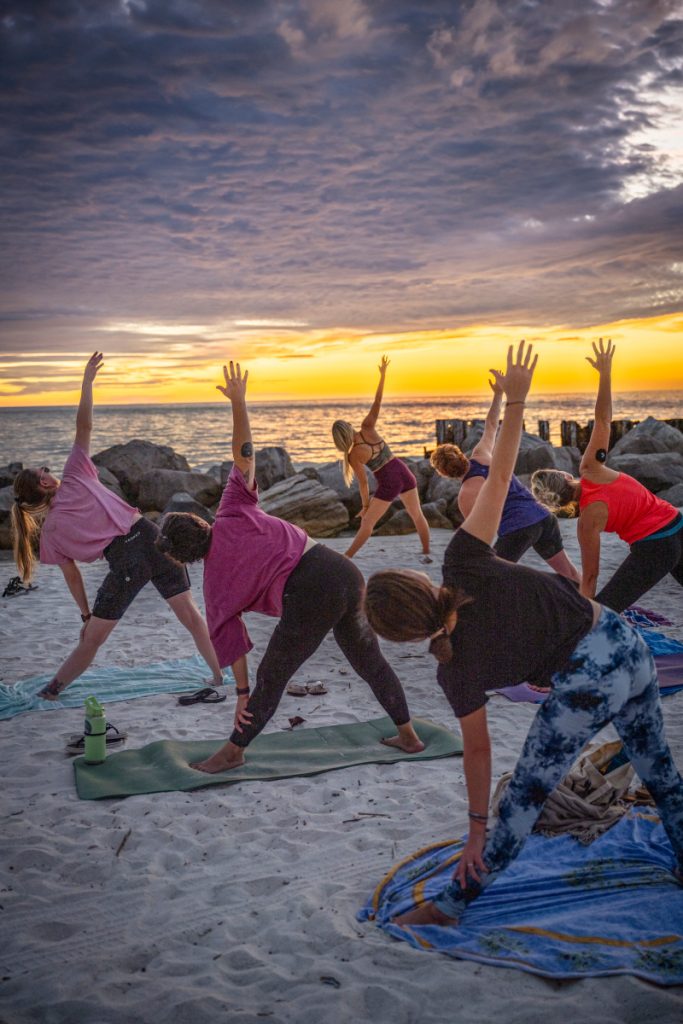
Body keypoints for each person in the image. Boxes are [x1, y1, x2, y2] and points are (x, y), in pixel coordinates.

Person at [364, 341, 683, 928]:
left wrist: (475, 830)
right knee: (658, 768)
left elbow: (480, 753)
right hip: (622, 641)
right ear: (415, 580)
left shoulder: (452, 668)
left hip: (590, 675)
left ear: (405, 636)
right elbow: (502, 473)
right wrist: (514, 402)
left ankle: (453, 906)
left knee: (526, 795)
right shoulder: (462, 561)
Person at [156, 361, 424, 774]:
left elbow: (234, 644)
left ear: (184, 558)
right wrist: (239, 401)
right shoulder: (231, 509)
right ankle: (408, 734)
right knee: (368, 659)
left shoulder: (214, 587)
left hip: (311, 589)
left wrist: (244, 693)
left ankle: (234, 752)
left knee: (272, 674)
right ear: (200, 521)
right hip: (341, 570)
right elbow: (245, 452)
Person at [11, 352, 224, 700]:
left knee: (93, 638)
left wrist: (85, 614)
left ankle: (52, 691)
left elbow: (72, 575)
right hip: (152, 537)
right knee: (191, 616)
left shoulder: (49, 531)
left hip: (126, 559)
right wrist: (87, 381)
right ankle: (218, 677)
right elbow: (85, 425)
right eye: (44, 471)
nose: (49, 472)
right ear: (45, 484)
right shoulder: (76, 475)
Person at [531, 338, 683, 612]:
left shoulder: (587, 521)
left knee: (605, 609)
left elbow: (589, 577)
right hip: (677, 524)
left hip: (657, 547)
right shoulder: (591, 468)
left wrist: (585, 611)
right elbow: (603, 420)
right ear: (565, 476)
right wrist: (605, 374)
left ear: (559, 504)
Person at [430, 376, 579, 582]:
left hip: (518, 528)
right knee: (569, 572)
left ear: (444, 473)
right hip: (543, 516)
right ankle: (593, 607)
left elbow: (481, 535)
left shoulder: (466, 496)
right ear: (461, 454)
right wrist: (498, 393)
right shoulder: (481, 455)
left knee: (491, 579)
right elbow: (491, 425)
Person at [331, 356, 431, 561]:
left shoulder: (352, 455)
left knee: (367, 523)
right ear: (348, 427)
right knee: (417, 515)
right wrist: (383, 375)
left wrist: (366, 506)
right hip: (403, 471)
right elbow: (378, 401)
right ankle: (427, 551)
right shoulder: (367, 427)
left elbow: (364, 484)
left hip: (389, 481)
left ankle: (348, 555)